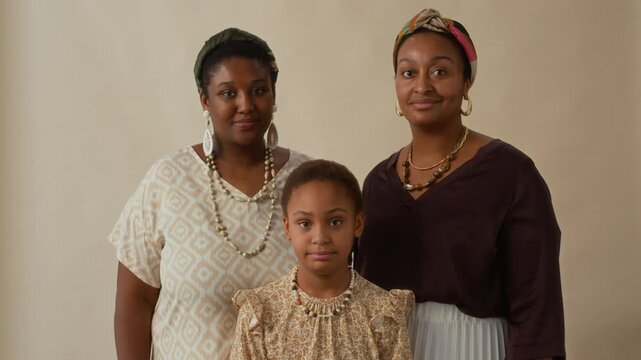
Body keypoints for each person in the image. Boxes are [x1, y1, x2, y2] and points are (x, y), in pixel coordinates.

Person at [354, 8, 565, 360]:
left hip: (476, 348)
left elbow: (536, 304)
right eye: (408, 72)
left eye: (440, 71)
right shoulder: (377, 182)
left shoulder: (510, 173)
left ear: (466, 81)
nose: (422, 85)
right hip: (391, 349)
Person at [109, 28, 311, 359]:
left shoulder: (308, 181)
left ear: (274, 96)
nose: (245, 105)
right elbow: (134, 301)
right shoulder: (168, 179)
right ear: (205, 100)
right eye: (228, 93)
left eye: (258, 90)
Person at [229, 160, 415, 360]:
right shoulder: (261, 313)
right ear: (287, 228)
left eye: (335, 222)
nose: (320, 237)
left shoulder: (383, 312)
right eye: (305, 223)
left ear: (358, 224)